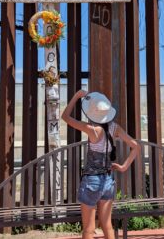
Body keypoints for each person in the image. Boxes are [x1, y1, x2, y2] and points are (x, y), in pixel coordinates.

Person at [62, 90, 140, 239]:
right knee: (107, 225)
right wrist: (123, 167)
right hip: (107, 181)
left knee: (88, 229)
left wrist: (76, 97)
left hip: (91, 181)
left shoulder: (92, 130)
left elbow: (65, 117)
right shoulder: (115, 128)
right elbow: (136, 146)